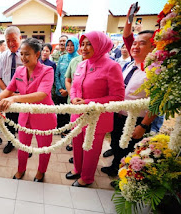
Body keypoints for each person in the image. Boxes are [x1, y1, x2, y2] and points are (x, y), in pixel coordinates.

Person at [101, 4, 156, 177]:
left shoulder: (154, 71)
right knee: (117, 142)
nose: (135, 46)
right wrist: (129, 17)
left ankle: (123, 176)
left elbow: (155, 102)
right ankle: (115, 163)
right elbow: (127, 36)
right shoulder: (132, 62)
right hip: (119, 114)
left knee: (130, 149)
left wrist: (143, 125)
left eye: (142, 44)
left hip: (136, 119)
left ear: (154, 48)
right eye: (135, 43)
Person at [65, 31, 125, 187]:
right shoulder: (81, 64)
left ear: (100, 45)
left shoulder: (112, 66)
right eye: (83, 44)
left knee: (90, 149)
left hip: (97, 119)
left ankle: (87, 177)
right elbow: (74, 87)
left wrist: (87, 102)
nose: (84, 48)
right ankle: (78, 169)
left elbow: (118, 97)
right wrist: (74, 98)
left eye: (89, 44)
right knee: (77, 145)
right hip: (78, 115)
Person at [0, 38, 57, 182]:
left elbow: (42, 94)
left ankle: (41, 171)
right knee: (22, 147)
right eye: (21, 54)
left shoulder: (47, 70)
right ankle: (21, 169)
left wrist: (15, 99)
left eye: (27, 54)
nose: (23, 58)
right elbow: (9, 89)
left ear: (37, 54)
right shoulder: (19, 70)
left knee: (44, 148)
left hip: (44, 117)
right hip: (25, 117)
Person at [0, 26, 23, 154]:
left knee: (24, 123)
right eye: (8, 41)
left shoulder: (26, 54)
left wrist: (20, 95)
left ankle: (25, 146)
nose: (11, 43)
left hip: (24, 97)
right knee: (10, 121)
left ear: (20, 38)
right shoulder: (2, 57)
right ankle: (10, 142)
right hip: (8, 95)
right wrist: (10, 93)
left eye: (14, 40)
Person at [54, 37, 79, 138]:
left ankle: (68, 131)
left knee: (69, 112)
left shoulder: (79, 59)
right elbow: (57, 74)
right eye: (67, 45)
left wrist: (68, 91)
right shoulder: (62, 58)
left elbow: (77, 78)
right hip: (60, 91)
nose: (69, 47)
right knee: (60, 111)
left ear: (76, 46)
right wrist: (60, 88)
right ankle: (60, 128)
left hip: (72, 92)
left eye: (72, 45)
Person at [64, 49, 83, 154]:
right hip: (74, 99)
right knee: (74, 123)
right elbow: (68, 79)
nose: (85, 48)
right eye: (83, 44)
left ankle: (82, 152)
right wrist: (72, 95)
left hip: (89, 103)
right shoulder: (75, 61)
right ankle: (74, 144)